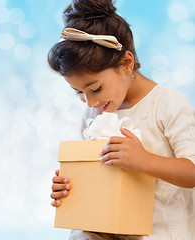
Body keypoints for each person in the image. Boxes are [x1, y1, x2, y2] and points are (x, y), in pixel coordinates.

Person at [48, 0, 195, 239]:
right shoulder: (94, 114)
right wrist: (68, 186)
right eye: (79, 93)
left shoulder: (167, 105)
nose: (90, 102)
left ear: (126, 63)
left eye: (95, 89)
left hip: (159, 230)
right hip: (108, 228)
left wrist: (144, 160)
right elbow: (94, 175)